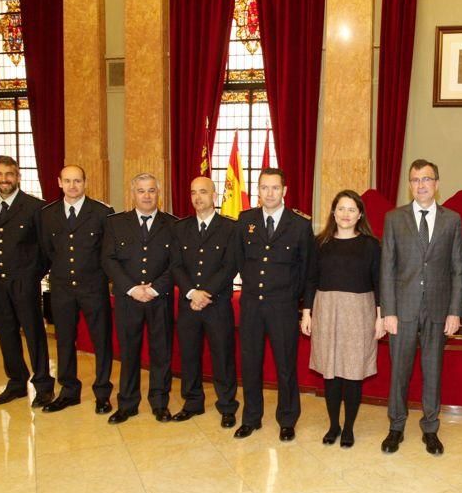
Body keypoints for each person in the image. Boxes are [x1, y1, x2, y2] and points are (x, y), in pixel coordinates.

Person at [380, 159, 462, 455]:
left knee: (432, 371)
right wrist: (387, 311)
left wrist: (455, 311)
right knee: (399, 372)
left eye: (426, 179)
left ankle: (431, 428)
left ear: (437, 184)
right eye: (415, 180)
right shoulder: (394, 218)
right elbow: (387, 268)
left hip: (438, 310)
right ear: (409, 184)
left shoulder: (452, 220)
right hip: (401, 310)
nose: (421, 185)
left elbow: (458, 269)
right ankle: (396, 426)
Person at [234, 168, 316, 442]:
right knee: (250, 363)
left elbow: (307, 271)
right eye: (264, 187)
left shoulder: (300, 225)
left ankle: (287, 419)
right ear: (258, 190)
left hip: (283, 305)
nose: (269, 193)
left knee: (285, 365)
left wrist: (306, 308)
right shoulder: (246, 220)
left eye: (275, 188)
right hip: (251, 306)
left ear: (285, 191)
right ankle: (251, 418)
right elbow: (238, 260)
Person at [301, 190, 384, 448]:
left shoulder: (371, 245)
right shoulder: (319, 243)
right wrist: (307, 312)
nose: (346, 214)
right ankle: (334, 425)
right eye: (341, 208)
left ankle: (348, 427)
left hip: (360, 311)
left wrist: (381, 317)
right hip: (326, 309)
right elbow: (310, 279)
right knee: (331, 371)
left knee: (352, 372)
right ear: (333, 213)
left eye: (351, 209)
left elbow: (379, 283)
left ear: (359, 214)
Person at [0, 155, 55, 407]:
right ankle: (16, 382)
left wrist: (33, 275)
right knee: (6, 331)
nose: (4, 179)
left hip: (25, 280)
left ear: (18, 176)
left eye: (9, 174)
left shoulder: (35, 207)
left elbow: (47, 249)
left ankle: (43, 385)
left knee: (33, 331)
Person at [101, 173, 177, 424]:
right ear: (132, 193)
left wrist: (155, 288)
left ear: (159, 193)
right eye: (142, 191)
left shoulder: (173, 225)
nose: (146, 195)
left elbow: (176, 264)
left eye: (152, 190)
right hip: (127, 299)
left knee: (161, 353)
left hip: (160, 299)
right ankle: (128, 404)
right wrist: (131, 288)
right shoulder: (115, 223)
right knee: (129, 352)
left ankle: (159, 403)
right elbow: (108, 260)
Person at [39, 165, 115, 414]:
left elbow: (107, 253)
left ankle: (102, 393)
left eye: (78, 181)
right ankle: (69, 390)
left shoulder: (102, 213)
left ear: (85, 182)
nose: (73, 186)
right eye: (68, 181)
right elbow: (49, 251)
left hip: (94, 287)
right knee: (64, 341)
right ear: (59, 182)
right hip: (62, 288)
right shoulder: (47, 214)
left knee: (101, 341)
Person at [169, 177, 240, 427]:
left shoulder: (230, 228)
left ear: (214, 195)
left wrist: (205, 293)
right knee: (189, 355)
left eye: (203, 192)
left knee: (223, 356)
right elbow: (175, 265)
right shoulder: (180, 228)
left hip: (217, 304)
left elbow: (229, 266)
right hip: (189, 304)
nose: (197, 197)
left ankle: (227, 406)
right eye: (193, 193)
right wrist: (191, 293)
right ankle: (192, 402)